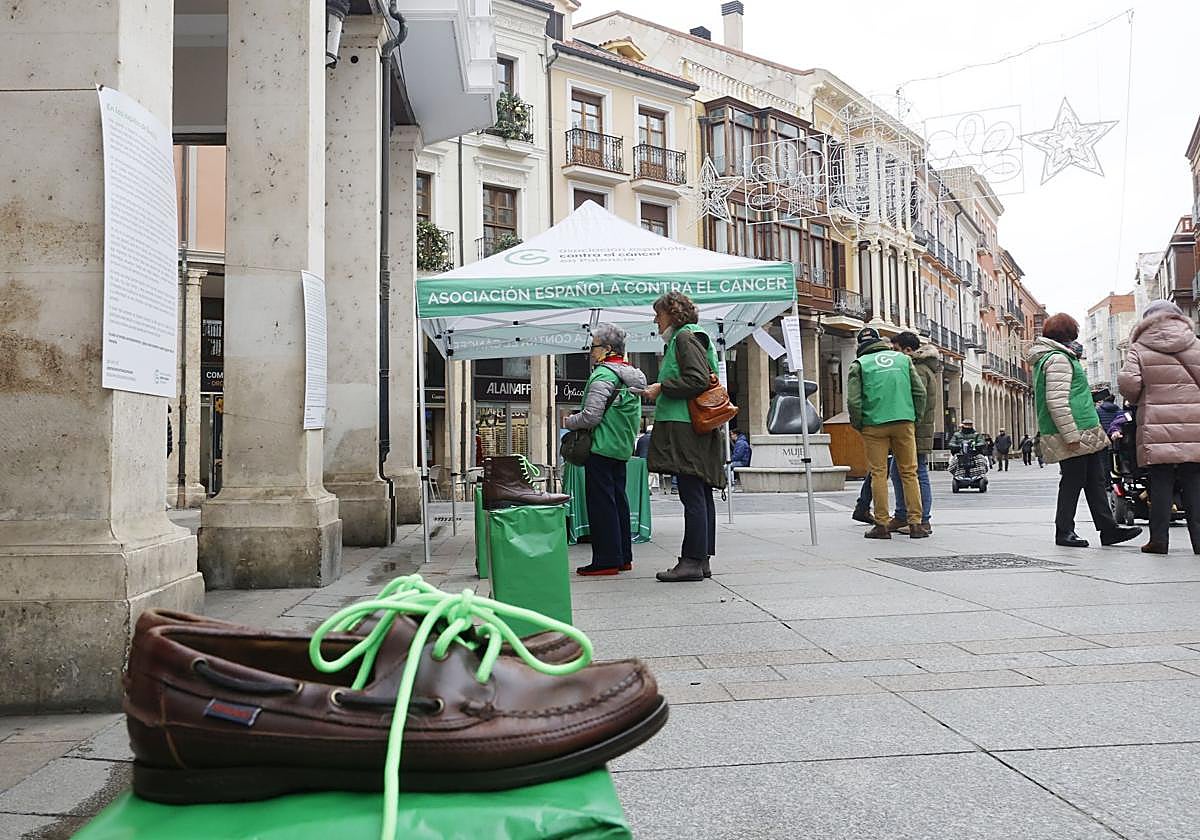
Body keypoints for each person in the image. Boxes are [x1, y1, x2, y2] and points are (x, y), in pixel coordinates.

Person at [1027, 312, 1141, 548]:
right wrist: (1070, 435)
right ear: (1068, 334)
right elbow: (1057, 400)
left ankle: (1108, 529)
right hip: (1074, 431)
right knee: (1072, 480)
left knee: (1094, 480)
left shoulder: (1059, 357)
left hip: (1082, 429)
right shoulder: (1058, 358)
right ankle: (1064, 531)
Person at [643, 292, 726, 582]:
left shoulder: (683, 338)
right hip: (696, 424)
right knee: (700, 492)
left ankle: (691, 560)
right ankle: (700, 559)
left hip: (685, 424)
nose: (655, 320)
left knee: (692, 492)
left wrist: (661, 387)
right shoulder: (694, 335)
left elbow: (696, 379)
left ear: (672, 314)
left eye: (659, 314)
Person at [563, 323, 647, 576]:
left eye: (594, 347)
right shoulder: (632, 376)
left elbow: (591, 417)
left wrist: (569, 421)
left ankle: (606, 560)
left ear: (607, 349)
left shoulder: (603, 376)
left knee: (601, 505)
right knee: (618, 501)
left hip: (600, 447)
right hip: (621, 448)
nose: (591, 352)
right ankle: (623, 557)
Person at [1117, 300, 1200, 555]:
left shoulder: (1139, 347)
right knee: (1194, 481)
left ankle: (1159, 540)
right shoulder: (1196, 344)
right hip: (1194, 422)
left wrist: (1138, 396)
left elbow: (1129, 384)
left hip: (1156, 423)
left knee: (1160, 481)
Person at [847, 326, 927, 539]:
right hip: (904, 421)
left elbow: (853, 401)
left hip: (874, 425)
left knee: (879, 474)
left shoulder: (859, 365)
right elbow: (920, 392)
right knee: (910, 473)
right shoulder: (903, 360)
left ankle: (881, 525)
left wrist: (859, 424)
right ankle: (916, 524)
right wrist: (914, 417)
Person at [887, 331, 938, 534]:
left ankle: (922, 519)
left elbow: (918, 399)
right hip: (915, 429)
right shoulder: (922, 368)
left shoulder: (917, 370)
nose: (894, 353)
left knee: (918, 471)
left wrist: (910, 423)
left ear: (908, 350)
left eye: (896, 349)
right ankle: (903, 515)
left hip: (914, 430)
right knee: (898, 471)